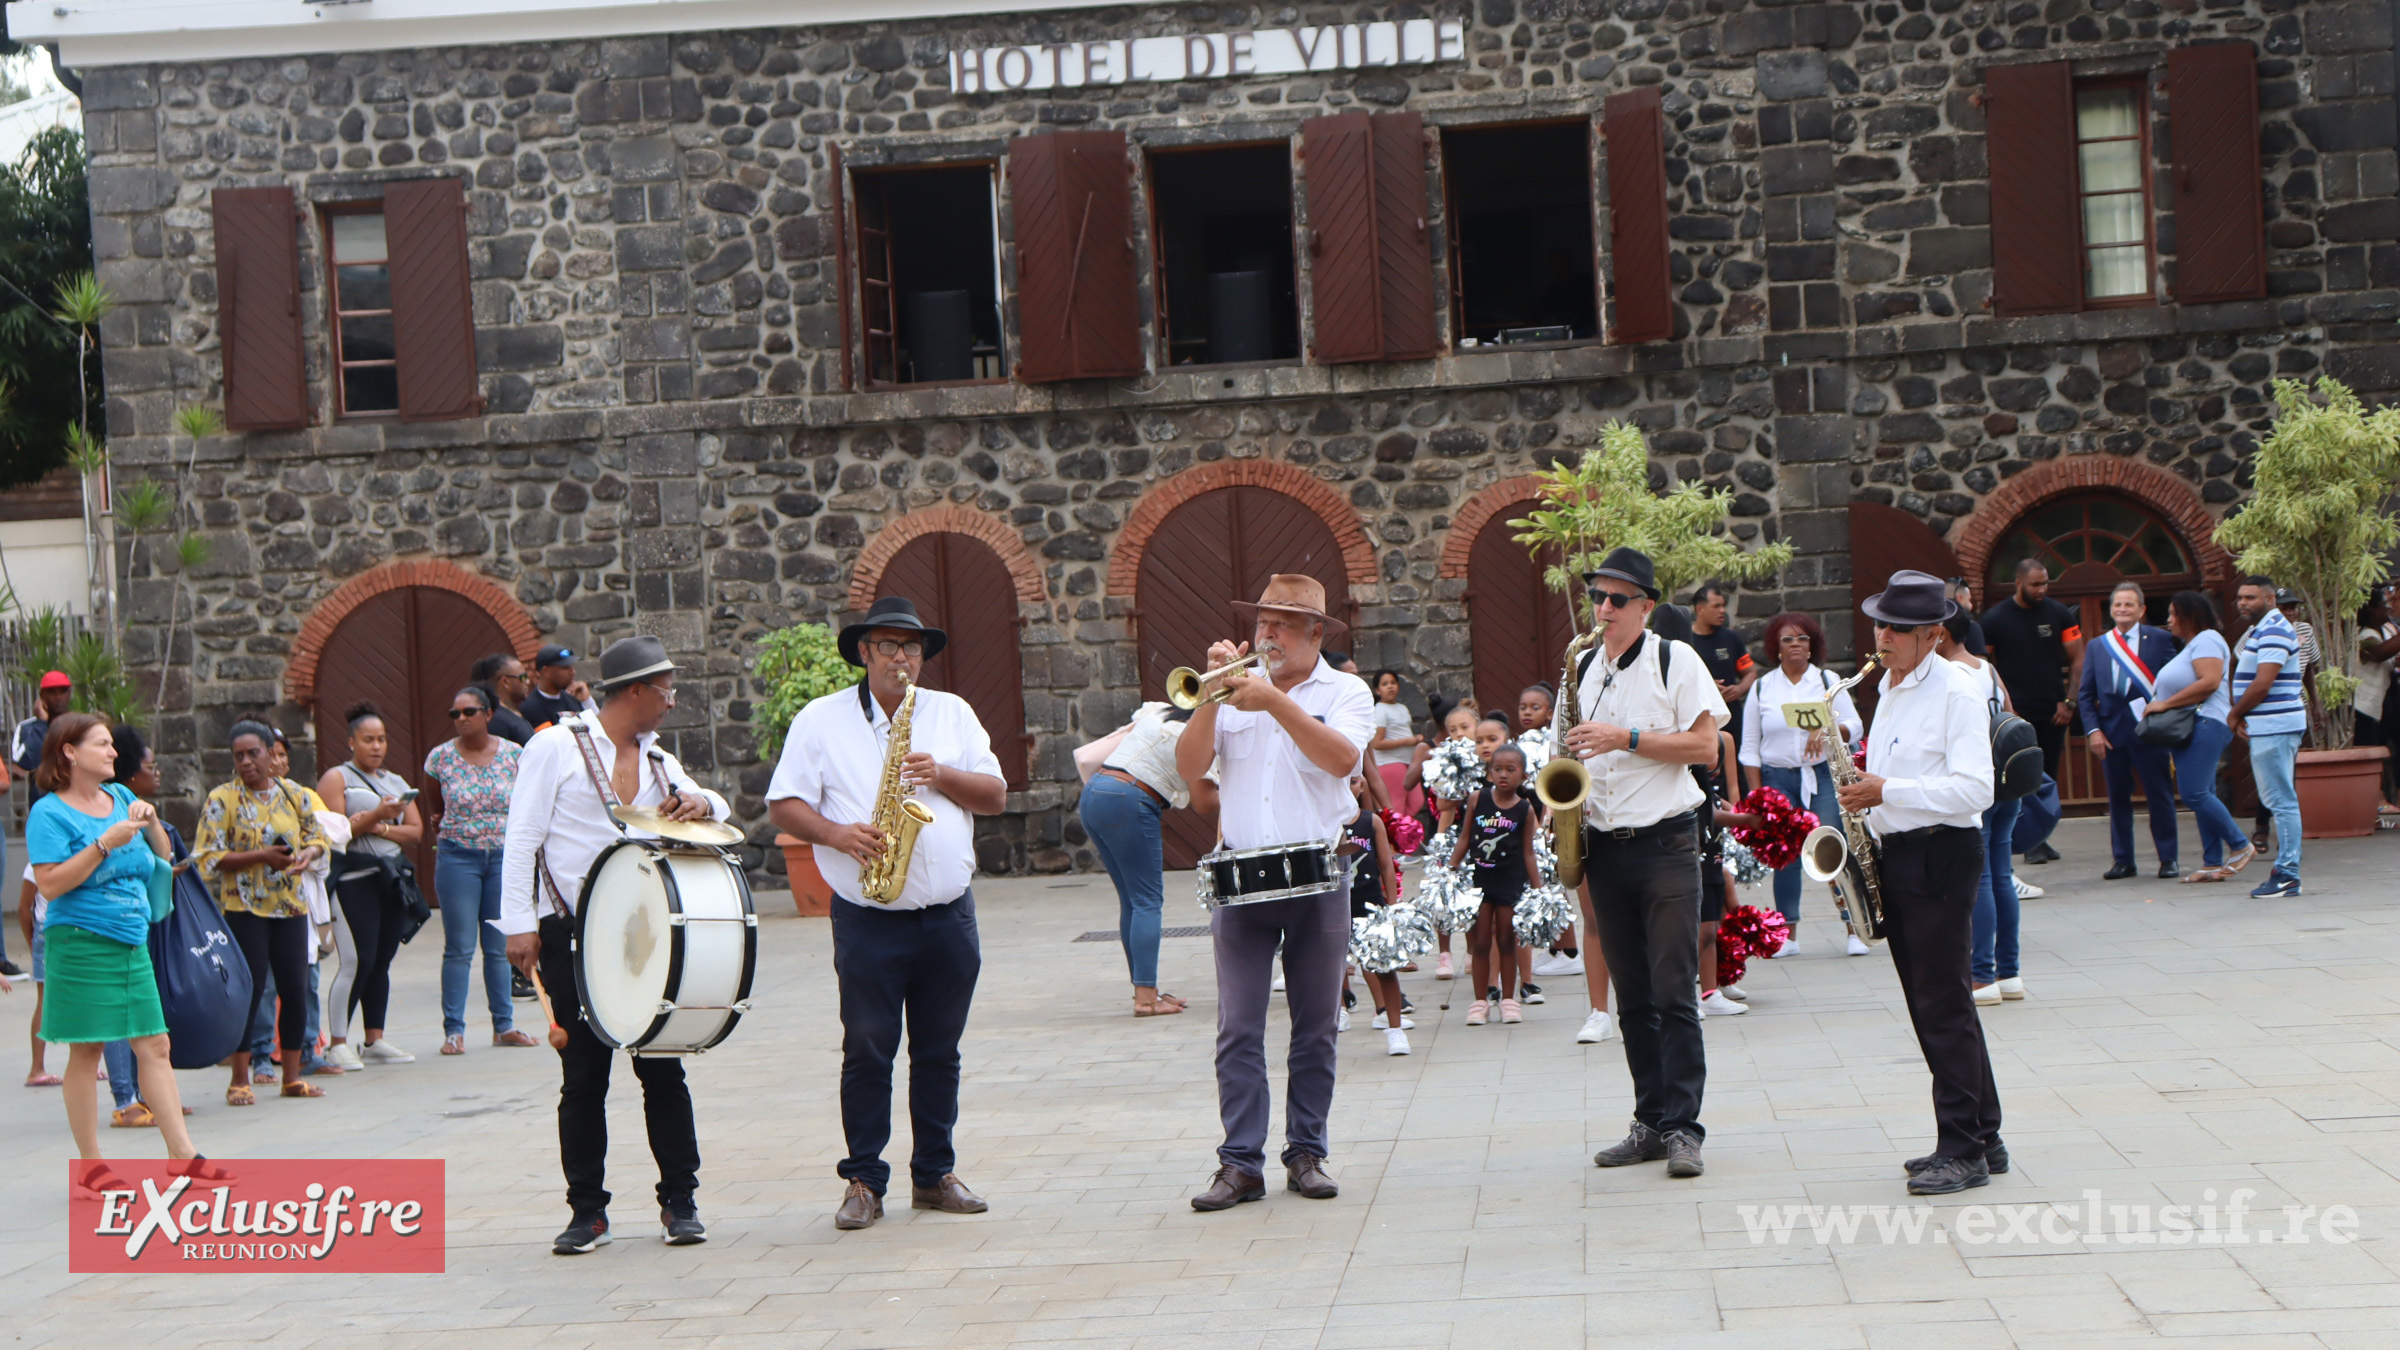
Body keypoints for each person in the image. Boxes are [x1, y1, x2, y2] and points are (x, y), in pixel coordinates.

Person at [768, 597, 1008, 1232]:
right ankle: (863, 1181)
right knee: (869, 1049)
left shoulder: (951, 713)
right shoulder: (820, 720)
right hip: (869, 914)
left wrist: (944, 774)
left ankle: (933, 1174)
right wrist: (837, 834)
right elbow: (783, 806)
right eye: (888, 646)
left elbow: (996, 795)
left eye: (912, 648)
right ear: (865, 653)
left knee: (940, 1050)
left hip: (948, 914)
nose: (901, 658)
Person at [500, 635, 732, 1254]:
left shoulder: (658, 759)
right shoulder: (554, 745)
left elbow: (720, 806)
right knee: (583, 1078)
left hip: (642, 935)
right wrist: (518, 923)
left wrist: (700, 801)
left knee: (664, 1069)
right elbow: (521, 837)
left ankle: (680, 1204)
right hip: (569, 934)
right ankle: (588, 1212)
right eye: (666, 690)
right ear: (636, 691)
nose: (671, 701)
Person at [1174, 574, 1374, 1212]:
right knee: (1237, 1026)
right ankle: (1240, 1164)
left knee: (1316, 1025)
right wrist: (1210, 696)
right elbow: (1187, 769)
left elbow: (1343, 760)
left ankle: (1306, 1152)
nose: (1267, 635)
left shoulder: (1345, 690)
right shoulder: (1231, 691)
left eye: (1283, 625)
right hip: (1240, 876)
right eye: (1263, 623)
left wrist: (1275, 703)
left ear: (1316, 634)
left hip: (1320, 874)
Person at [1842, 571, 2003, 1196]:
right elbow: (1900, 770)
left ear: (1933, 635)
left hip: (1942, 851)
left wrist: (1888, 790)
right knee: (1936, 1001)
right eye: (1879, 623)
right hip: (1901, 849)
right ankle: (1985, 1134)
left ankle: (1962, 1147)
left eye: (1897, 629)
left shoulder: (1960, 691)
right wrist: (1865, 778)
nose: (1881, 636)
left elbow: (1974, 790)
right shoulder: (1887, 684)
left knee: (1942, 1004)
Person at [1568, 547, 1727, 1181]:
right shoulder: (1583, 667)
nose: (1602, 609)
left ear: (1646, 607)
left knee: (1672, 990)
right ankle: (1650, 1120)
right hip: (1606, 842)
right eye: (1598, 598)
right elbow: (1578, 748)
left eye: (1616, 600)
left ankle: (1686, 1127)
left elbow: (1705, 747)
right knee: (1632, 995)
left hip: (1666, 842)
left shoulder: (1675, 657)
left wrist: (1624, 738)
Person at [21, 713, 229, 1191]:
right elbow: (50, 884)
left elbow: (165, 858)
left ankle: (182, 1154)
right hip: (81, 944)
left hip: (133, 940)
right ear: (69, 752)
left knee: (155, 1045)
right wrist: (102, 843)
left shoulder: (122, 798)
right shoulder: (48, 813)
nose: (114, 753)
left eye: (113, 745)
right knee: (86, 1049)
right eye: (102, 745)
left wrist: (152, 821)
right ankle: (92, 1164)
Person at [194, 720, 334, 1105]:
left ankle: (292, 1077)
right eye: (238, 756)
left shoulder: (294, 795)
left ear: (272, 753)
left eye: (253, 753)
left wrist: (311, 853)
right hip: (244, 910)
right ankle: (240, 1078)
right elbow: (206, 857)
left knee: (295, 989)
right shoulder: (223, 799)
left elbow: (317, 835)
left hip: (290, 907)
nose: (246, 762)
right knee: (247, 993)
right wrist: (260, 856)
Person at [1077, 700, 1217, 1017]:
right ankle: (1146, 999)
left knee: (1132, 901)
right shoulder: (1200, 736)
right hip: (1131, 798)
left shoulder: (1160, 712)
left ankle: (1145, 991)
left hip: (1096, 790)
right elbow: (1205, 803)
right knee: (1147, 901)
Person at [1738, 612, 1860, 947]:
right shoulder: (1763, 687)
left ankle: (1854, 927)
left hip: (1821, 776)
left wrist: (1829, 728)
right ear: (1776, 648)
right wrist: (1757, 794)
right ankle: (1787, 934)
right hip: (1778, 778)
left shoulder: (1826, 682)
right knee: (1785, 853)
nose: (1795, 645)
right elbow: (1750, 747)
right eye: (1787, 640)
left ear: (1812, 646)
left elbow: (1856, 726)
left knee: (1832, 845)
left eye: (1802, 639)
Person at [423, 685, 531, 1055]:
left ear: (488, 714)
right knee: (459, 947)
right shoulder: (440, 758)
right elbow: (436, 806)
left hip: (502, 858)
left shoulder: (514, 755)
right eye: (455, 714)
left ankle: (505, 1025)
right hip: (458, 856)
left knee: (498, 947)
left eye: (469, 712)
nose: (461, 719)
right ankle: (454, 1030)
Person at [317, 702, 423, 1065]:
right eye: (367, 740)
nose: (376, 747)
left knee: (381, 961)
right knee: (355, 961)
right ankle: (337, 1043)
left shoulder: (394, 781)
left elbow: (416, 831)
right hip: (352, 881)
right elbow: (333, 832)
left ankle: (374, 1039)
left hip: (389, 880)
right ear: (351, 742)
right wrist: (377, 815)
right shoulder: (337, 778)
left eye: (381, 739)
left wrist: (381, 827)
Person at [1939, 614, 2026, 1006]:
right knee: (2002, 876)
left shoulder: (1949, 674)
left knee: (1984, 879)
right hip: (2009, 780)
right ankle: (2009, 973)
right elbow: (2010, 712)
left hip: (1979, 783)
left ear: (1939, 634)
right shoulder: (1986, 668)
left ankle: (1981, 975)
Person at [2144, 591, 2255, 883]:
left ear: (2189, 615)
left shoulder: (2207, 639)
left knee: (2194, 792)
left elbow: (2210, 681)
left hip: (2205, 722)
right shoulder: (2192, 646)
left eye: (2172, 614)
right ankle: (2211, 862)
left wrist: (2165, 703)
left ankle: (2241, 844)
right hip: (2191, 726)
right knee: (2204, 792)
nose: (2168, 621)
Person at [1980, 560, 2084, 863]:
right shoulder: (1995, 619)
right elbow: (1980, 666)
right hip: (2014, 717)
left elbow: (2078, 658)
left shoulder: (2059, 614)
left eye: (2045, 583)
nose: (2042, 590)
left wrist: (2070, 701)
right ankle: (2023, 840)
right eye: (2035, 584)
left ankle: (2040, 837)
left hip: (2053, 711)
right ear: (2019, 583)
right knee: (2019, 778)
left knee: (2047, 777)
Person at [2076, 582, 2182, 881]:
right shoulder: (2099, 644)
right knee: (2117, 799)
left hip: (2150, 730)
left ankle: (2168, 859)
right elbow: (2085, 694)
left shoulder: (2160, 639)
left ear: (2141, 609)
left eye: (2129, 605)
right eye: (2118, 605)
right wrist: (2093, 731)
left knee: (2160, 796)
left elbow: (2172, 682)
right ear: (2111, 609)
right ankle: (2123, 860)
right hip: (2111, 733)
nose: (2122, 610)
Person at [2229, 578, 2307, 897]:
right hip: (2269, 725)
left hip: (2276, 726)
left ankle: (2287, 874)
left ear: (2270, 599)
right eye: (2239, 597)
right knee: (2280, 800)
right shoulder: (2264, 629)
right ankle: (2286, 872)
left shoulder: (2274, 629)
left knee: (2282, 801)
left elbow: (2263, 684)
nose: (2242, 603)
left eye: (2250, 597)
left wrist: (2234, 714)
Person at [1451, 744, 1535, 1026]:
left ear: (1523, 776)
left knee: (1507, 941)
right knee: (1481, 942)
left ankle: (1509, 1000)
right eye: (1498, 769)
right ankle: (1479, 1002)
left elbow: (1528, 852)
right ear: (1489, 772)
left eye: (1511, 770)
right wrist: (1451, 868)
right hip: (1479, 882)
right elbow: (1464, 838)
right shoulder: (1478, 799)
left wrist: (1538, 888)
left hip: (1510, 883)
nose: (1503, 775)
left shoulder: (1525, 809)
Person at [1337, 773, 1410, 1055]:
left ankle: (1394, 1028)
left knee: (1383, 966)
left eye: (1353, 781)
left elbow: (1386, 864)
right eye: (1341, 782)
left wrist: (1392, 905)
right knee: (1335, 962)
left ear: (1362, 785)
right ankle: (1340, 1009)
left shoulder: (1371, 821)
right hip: (1336, 904)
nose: (1348, 787)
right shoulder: (1324, 822)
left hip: (1370, 904)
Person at [1697, 728, 1750, 1016]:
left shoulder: (1709, 789)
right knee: (1701, 932)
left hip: (1715, 863)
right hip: (1695, 865)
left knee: (1711, 930)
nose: (1713, 758)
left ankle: (1711, 989)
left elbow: (1724, 808)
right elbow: (1714, 815)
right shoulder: (1691, 785)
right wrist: (1747, 819)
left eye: (1717, 753)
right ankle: (1700, 993)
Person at [1687, 583, 1760, 750]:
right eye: (1716, 606)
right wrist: (1706, 685)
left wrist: (1740, 689)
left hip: (1732, 717)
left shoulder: (1731, 638)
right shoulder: (1684, 641)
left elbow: (1750, 672)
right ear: (1700, 609)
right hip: (1699, 719)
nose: (1722, 611)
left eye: (1723, 606)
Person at [2355, 587, 2400, 815]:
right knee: (2370, 751)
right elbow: (2379, 653)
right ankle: (2375, 800)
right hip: (2363, 706)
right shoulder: (2364, 636)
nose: (2389, 608)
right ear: (2371, 610)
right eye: (2384, 605)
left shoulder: (2385, 631)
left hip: (2380, 705)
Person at [1366, 671, 1423, 822]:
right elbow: (1377, 743)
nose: (1390, 687)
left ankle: (1400, 835)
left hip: (1407, 763)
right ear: (1377, 690)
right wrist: (1408, 741)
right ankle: (1395, 841)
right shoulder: (1379, 710)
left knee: (1417, 802)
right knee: (1396, 809)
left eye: (1393, 683)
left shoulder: (1402, 708)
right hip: (1390, 764)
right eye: (1385, 684)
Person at [470, 651, 539, 746]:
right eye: (522, 677)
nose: (527, 682)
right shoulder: (497, 722)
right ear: (505, 682)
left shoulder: (513, 712)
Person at [521, 644, 591, 731]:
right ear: (546, 671)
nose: (572, 672)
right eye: (565, 668)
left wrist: (587, 701)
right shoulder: (531, 707)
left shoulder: (571, 698)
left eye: (572, 667)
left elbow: (595, 730)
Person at [1945, 577, 1988, 657]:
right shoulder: (1972, 627)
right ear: (1959, 598)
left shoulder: (1934, 626)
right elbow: (1980, 665)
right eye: (1969, 600)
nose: (1971, 606)